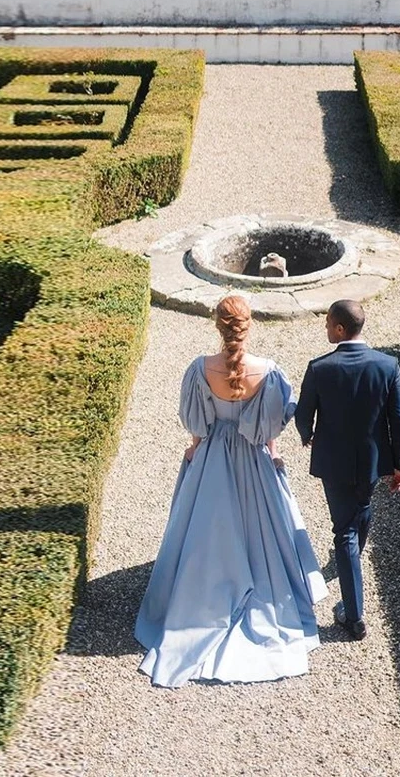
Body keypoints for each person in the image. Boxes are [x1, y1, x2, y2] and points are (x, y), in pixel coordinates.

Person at [135, 294, 327, 688]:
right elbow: (270, 431)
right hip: (252, 461)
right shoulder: (270, 373)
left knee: (203, 535)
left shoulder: (199, 370)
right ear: (248, 325)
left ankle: (203, 594)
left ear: (218, 326)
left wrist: (193, 451)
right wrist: (272, 456)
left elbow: (197, 427)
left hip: (211, 462)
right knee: (264, 535)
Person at [295, 299, 400, 641]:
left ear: (341, 329)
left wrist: (308, 436)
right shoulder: (388, 366)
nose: (326, 328)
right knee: (362, 511)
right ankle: (351, 561)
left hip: (334, 462)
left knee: (343, 530)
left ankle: (354, 617)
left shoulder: (319, 368)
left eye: (328, 323)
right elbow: (398, 419)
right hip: (372, 463)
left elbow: (303, 414)